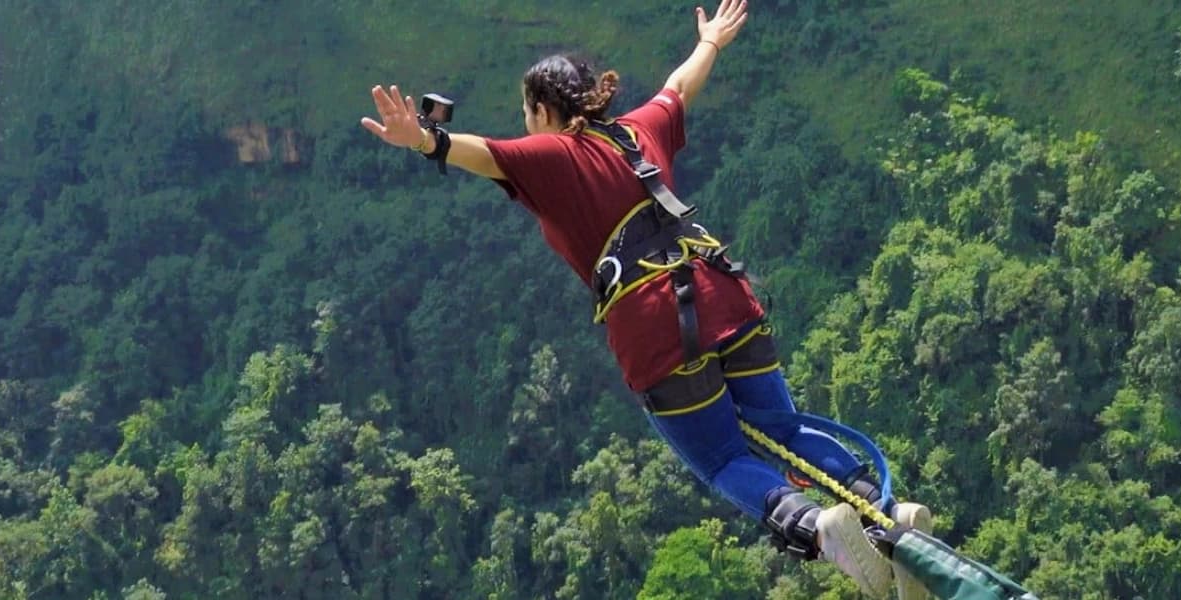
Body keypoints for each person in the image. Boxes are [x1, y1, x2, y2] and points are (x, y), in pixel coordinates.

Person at [360, 2, 927, 596]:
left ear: (546, 111)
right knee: (782, 430)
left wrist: (422, 138)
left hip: (658, 330)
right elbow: (679, 86)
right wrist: (710, 42)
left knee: (721, 459)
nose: (524, 124)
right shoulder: (639, 129)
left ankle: (816, 528)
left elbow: (473, 151)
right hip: (724, 293)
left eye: (527, 112)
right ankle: (883, 511)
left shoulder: (548, 155)